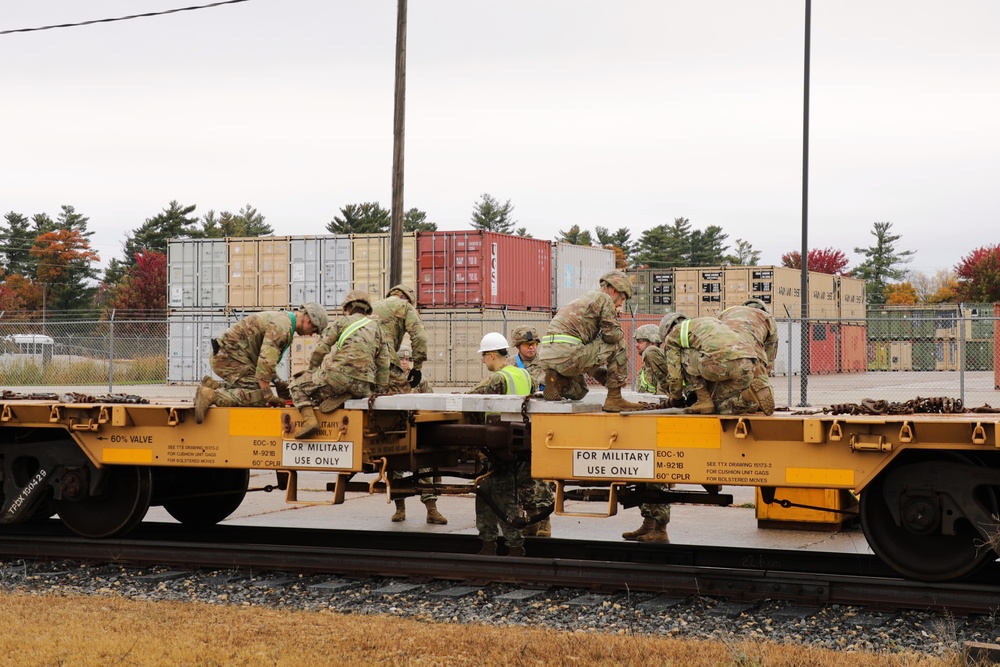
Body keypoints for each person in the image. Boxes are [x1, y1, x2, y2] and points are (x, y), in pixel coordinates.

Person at [194, 302, 328, 424]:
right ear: (309, 321)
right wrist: (268, 396)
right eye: (314, 331)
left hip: (229, 356)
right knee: (257, 397)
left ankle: (213, 385)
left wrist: (277, 382)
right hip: (228, 359)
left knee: (254, 389)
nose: (311, 335)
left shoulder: (284, 321)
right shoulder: (282, 328)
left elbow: (264, 357)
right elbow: (264, 365)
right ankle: (211, 395)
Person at [469, 332, 536, 557]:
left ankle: (515, 546)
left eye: (484, 356)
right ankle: (488, 544)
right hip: (521, 443)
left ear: (491, 355)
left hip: (500, 444)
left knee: (501, 495)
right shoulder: (524, 375)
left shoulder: (499, 378)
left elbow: (470, 398)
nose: (482, 361)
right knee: (486, 490)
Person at [287, 290, 389, 438]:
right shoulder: (378, 329)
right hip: (364, 386)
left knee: (297, 386)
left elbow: (321, 349)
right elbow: (384, 363)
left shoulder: (342, 322)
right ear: (367, 309)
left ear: (349, 308)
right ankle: (347, 394)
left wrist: (311, 371)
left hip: (338, 378)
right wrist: (378, 391)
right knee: (343, 385)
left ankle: (310, 421)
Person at [538, 270, 644, 412]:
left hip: (548, 356)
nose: (620, 304)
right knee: (619, 345)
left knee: (580, 390)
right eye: (622, 298)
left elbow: (590, 349)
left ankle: (558, 382)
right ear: (613, 290)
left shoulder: (582, 300)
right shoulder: (604, 299)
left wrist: (600, 373)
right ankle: (615, 398)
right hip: (569, 354)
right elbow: (612, 336)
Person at [659, 312, 771, 416]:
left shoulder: (674, 335)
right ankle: (748, 398)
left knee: (683, 355)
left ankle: (703, 400)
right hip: (748, 363)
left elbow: (675, 375)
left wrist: (676, 397)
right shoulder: (709, 322)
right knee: (718, 406)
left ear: (667, 330)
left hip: (720, 364)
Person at [622, 323, 671, 542]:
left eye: (640, 341)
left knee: (657, 481)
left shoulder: (658, 360)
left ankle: (660, 530)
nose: (637, 346)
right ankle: (648, 524)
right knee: (645, 479)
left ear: (652, 343)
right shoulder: (647, 366)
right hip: (646, 425)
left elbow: (663, 395)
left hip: (657, 426)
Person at [389, 345, 448, 525]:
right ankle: (400, 509)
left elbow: (430, 402)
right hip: (397, 432)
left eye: (408, 359)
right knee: (396, 470)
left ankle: (432, 510)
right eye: (402, 359)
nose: (405, 362)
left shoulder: (419, 381)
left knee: (426, 469)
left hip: (418, 433)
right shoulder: (389, 380)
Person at [506, 325, 555, 538]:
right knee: (522, 477)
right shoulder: (508, 366)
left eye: (534, 344)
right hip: (516, 426)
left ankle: (544, 521)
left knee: (542, 476)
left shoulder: (545, 366)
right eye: (527, 345)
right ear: (518, 346)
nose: (532, 348)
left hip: (541, 425)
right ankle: (530, 520)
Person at [717, 298, 778, 415]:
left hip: (722, 353)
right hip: (752, 354)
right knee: (762, 396)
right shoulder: (768, 319)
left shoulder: (726, 313)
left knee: (717, 403)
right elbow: (770, 356)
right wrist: (762, 377)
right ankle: (748, 399)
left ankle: (742, 399)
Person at [371, 284, 429, 394]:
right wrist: (417, 367)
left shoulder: (372, 306)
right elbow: (421, 337)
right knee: (401, 391)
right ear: (407, 298)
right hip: (385, 357)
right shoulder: (405, 306)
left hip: (364, 358)